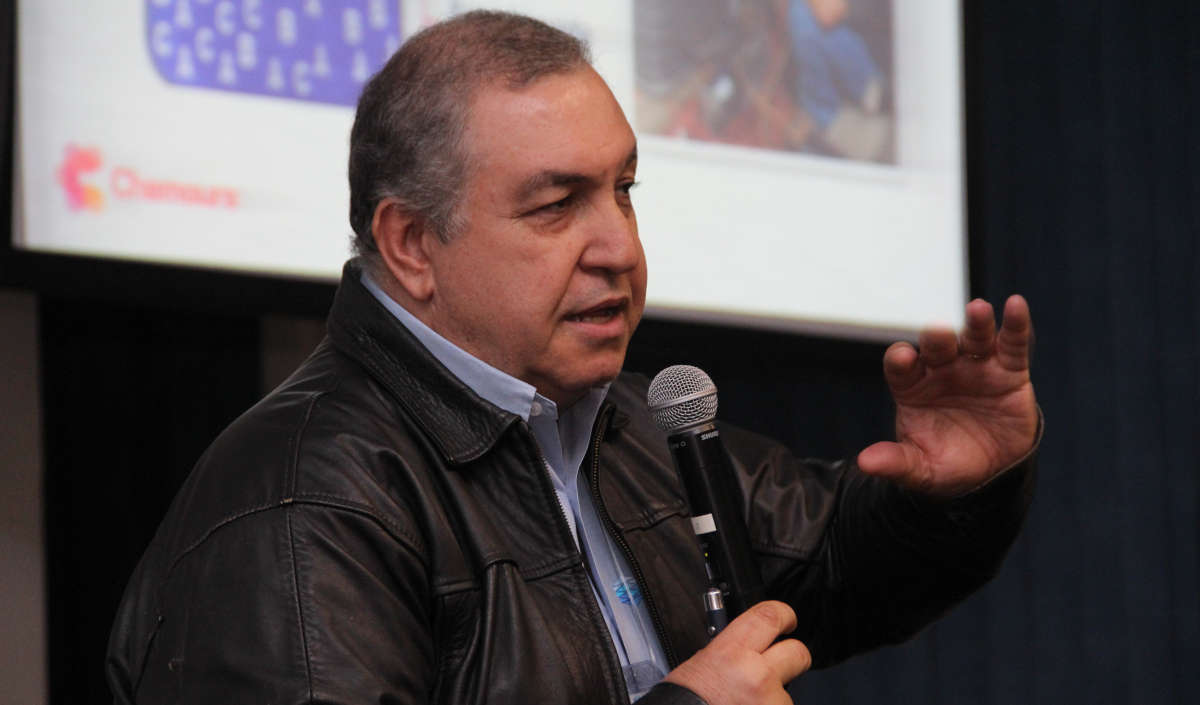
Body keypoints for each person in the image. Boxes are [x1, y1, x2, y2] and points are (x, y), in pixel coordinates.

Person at [106, 11, 1039, 705]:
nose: (620, 249)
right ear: (411, 245)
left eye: (624, 191)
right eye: (556, 206)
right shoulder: (302, 502)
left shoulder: (620, 423)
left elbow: (828, 562)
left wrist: (956, 488)